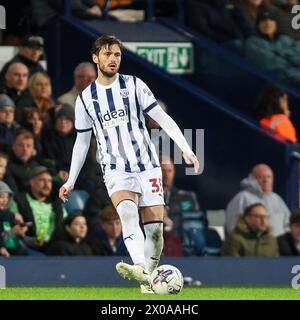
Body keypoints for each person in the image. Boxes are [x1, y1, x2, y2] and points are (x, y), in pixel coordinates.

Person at [59, 35, 199, 293]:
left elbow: (162, 118)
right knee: (127, 213)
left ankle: (148, 274)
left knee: (156, 233)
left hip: (147, 165)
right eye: (107, 54)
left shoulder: (134, 85)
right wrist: (70, 180)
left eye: (117, 55)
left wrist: (186, 149)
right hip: (115, 169)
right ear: (95, 57)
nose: (113, 59)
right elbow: (82, 142)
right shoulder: (85, 99)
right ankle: (140, 269)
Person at [226, 163, 290, 237]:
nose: (266, 180)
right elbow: (233, 227)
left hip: (277, 247)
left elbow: (288, 224)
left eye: (269, 177)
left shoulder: (277, 199)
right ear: (252, 179)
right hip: (252, 247)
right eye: (261, 177)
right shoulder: (242, 198)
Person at [14, 166, 67, 253]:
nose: (47, 184)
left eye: (49, 181)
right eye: (42, 180)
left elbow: (67, 223)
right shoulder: (20, 201)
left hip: (55, 247)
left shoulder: (56, 203)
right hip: (28, 247)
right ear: (32, 182)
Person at [245, 9, 300, 85]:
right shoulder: (253, 42)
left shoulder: (286, 39)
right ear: (257, 25)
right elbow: (268, 64)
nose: (267, 23)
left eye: (271, 19)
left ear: (276, 24)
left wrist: (286, 54)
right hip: (277, 82)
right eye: (263, 20)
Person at [161, 155, 200, 237]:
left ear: (174, 172)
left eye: (169, 171)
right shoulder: (144, 198)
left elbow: (193, 226)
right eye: (162, 170)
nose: (166, 175)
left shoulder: (186, 198)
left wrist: (171, 225)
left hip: (180, 243)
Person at [0, 181, 28, 256]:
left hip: (11, 248)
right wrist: (1, 247)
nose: (5, 200)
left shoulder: (8, 215)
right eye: (1, 197)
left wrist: (20, 230)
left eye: (7, 197)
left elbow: (8, 234)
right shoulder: (9, 215)